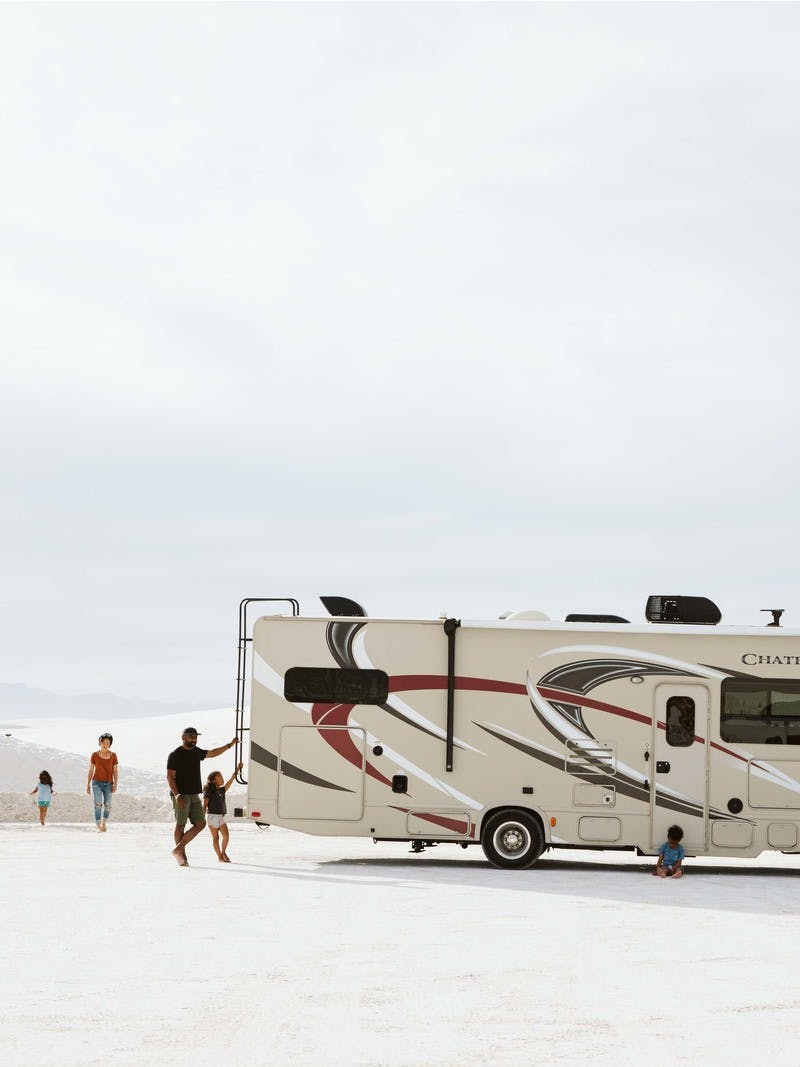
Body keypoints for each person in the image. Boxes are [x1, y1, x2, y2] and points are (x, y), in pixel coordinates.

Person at [166, 727, 237, 866]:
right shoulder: (175, 754)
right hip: (181, 795)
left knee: (200, 823)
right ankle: (182, 858)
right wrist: (178, 795)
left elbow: (213, 753)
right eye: (191, 736)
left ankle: (178, 849)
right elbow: (170, 777)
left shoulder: (196, 752)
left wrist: (230, 745)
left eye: (195, 737)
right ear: (183, 738)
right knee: (180, 825)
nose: (194, 739)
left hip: (194, 794)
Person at [203, 762, 243, 863]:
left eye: (221, 776)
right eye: (219, 777)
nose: (222, 778)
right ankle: (219, 856)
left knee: (226, 836)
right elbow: (204, 805)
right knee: (215, 838)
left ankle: (223, 852)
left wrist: (238, 769)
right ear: (213, 780)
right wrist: (201, 818)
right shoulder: (209, 791)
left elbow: (231, 779)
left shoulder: (222, 790)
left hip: (220, 817)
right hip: (212, 817)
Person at [86, 732, 119, 832]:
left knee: (108, 804)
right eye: (103, 742)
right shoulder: (94, 755)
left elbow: (115, 771)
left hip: (109, 783)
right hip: (96, 782)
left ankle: (104, 822)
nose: (105, 745)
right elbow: (91, 770)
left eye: (108, 743)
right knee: (98, 803)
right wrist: (87, 784)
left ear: (110, 745)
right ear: (100, 743)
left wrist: (115, 784)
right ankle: (98, 823)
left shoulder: (113, 756)